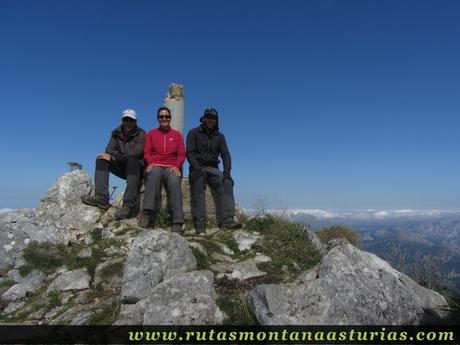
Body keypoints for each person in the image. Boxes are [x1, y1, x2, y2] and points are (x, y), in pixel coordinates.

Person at [82, 109, 145, 220]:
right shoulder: (116, 133)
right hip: (122, 166)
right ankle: (102, 198)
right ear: (122, 121)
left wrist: (114, 157)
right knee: (101, 159)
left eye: (131, 120)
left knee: (132, 162)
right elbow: (108, 149)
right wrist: (112, 157)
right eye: (126, 120)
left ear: (136, 121)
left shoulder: (142, 134)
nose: (128, 122)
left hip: (137, 170)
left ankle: (128, 205)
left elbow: (135, 155)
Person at [186, 107, 242, 234]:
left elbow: (226, 155)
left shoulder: (220, 136)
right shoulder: (193, 133)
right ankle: (200, 226)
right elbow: (189, 153)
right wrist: (197, 169)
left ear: (216, 120)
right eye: (208, 117)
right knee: (198, 186)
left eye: (213, 118)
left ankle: (227, 221)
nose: (210, 120)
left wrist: (227, 172)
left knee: (227, 182)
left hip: (213, 168)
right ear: (203, 119)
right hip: (197, 167)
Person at [139, 107, 185, 233]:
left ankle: (177, 221)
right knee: (153, 174)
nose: (164, 119)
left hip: (171, 167)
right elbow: (147, 152)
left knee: (175, 182)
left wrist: (177, 165)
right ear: (158, 118)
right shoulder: (151, 133)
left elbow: (181, 154)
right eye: (161, 117)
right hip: (156, 165)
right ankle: (147, 213)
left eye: (166, 116)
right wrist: (150, 162)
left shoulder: (177, 135)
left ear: (170, 118)